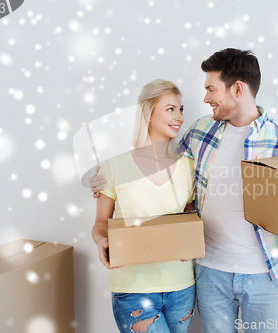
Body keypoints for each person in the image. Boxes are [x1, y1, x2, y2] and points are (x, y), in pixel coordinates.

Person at [91, 49, 278, 333]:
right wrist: (103, 177)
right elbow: (160, 166)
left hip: (265, 273)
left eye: (211, 89)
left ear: (237, 89)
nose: (205, 98)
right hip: (210, 272)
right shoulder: (200, 132)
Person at [92, 79, 196, 333]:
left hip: (181, 286)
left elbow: (190, 217)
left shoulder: (189, 167)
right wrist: (102, 242)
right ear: (148, 113)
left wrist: (191, 243)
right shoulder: (114, 166)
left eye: (181, 110)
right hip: (133, 289)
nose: (179, 117)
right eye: (170, 109)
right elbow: (100, 224)